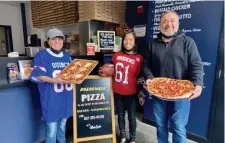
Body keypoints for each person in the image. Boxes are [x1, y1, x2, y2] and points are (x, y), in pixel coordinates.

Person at [142, 11, 204, 143]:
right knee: (160, 126)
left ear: (178, 24)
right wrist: (149, 78)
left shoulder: (188, 42)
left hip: (181, 95)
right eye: (164, 21)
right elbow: (146, 65)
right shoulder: (151, 44)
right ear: (160, 25)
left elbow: (196, 65)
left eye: (172, 20)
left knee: (179, 127)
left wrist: (198, 83)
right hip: (158, 94)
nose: (168, 24)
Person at [99, 30, 144, 143]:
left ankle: (133, 138)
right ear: (122, 41)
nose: (127, 42)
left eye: (130, 39)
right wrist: (103, 72)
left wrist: (141, 94)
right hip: (118, 92)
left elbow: (140, 78)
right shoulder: (116, 55)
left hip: (132, 93)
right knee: (120, 115)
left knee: (132, 117)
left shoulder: (139, 58)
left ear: (134, 42)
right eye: (125, 39)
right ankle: (123, 135)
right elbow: (111, 70)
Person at [30, 28, 73, 143]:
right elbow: (37, 75)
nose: (57, 42)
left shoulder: (67, 56)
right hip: (51, 99)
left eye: (59, 39)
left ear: (63, 41)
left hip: (66, 98)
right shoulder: (42, 55)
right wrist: (53, 80)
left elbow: (72, 74)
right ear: (48, 41)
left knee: (62, 126)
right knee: (52, 130)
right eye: (53, 39)